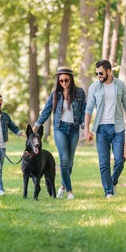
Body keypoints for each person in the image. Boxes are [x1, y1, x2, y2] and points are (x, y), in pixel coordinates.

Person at [84, 60, 126, 199]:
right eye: (96, 73)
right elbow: (89, 109)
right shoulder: (94, 87)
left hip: (118, 128)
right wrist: (86, 129)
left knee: (120, 160)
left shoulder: (120, 85)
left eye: (101, 73)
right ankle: (108, 192)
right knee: (104, 162)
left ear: (109, 71)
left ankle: (113, 181)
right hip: (101, 129)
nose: (98, 75)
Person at [33, 66, 86, 200]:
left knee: (70, 162)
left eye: (66, 80)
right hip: (59, 128)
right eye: (61, 80)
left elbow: (84, 110)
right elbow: (46, 111)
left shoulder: (79, 93)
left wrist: (85, 126)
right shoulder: (55, 94)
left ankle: (62, 186)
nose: (63, 83)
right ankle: (70, 192)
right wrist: (37, 125)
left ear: (71, 79)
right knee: (63, 161)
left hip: (74, 129)